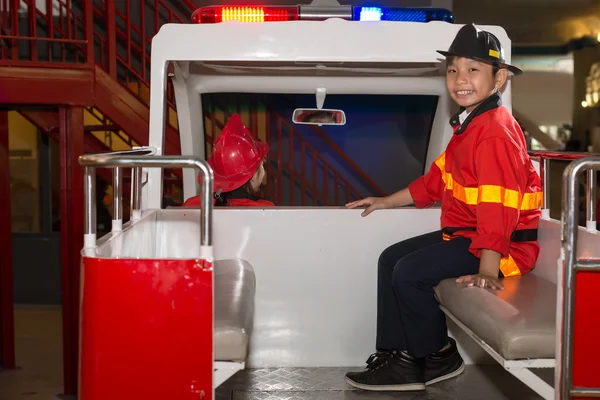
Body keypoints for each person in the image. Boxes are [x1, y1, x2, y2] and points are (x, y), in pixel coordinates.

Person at [344, 24, 542, 392]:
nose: (460, 79)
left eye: (472, 69)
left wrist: (489, 269)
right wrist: (385, 200)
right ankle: (398, 354)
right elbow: (435, 182)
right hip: (469, 236)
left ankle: (436, 356)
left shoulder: (495, 131)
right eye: (453, 70)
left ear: (499, 79)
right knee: (391, 258)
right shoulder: (469, 126)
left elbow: (499, 205)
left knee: (409, 272)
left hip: (502, 246)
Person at [183, 114, 275, 207]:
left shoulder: (191, 205)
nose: (264, 172)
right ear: (253, 176)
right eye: (262, 165)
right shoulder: (265, 210)